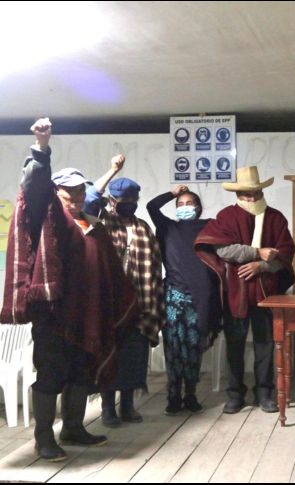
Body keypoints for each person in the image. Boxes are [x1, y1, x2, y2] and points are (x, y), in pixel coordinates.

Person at [1, 118, 137, 461]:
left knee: (81, 372)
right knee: (51, 375)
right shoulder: (52, 221)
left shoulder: (96, 228)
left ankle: (74, 428)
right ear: (56, 196)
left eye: (80, 191)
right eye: (69, 192)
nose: (76, 197)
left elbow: (110, 273)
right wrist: (42, 148)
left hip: (88, 315)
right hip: (54, 316)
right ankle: (44, 438)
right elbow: (34, 189)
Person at [195, 166, 295, 414]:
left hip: (265, 292)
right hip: (235, 292)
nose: (250, 199)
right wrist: (256, 252)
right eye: (245, 194)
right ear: (237, 194)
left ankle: (265, 393)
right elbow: (221, 249)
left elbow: (285, 253)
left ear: (261, 191)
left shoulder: (276, 218)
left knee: (265, 345)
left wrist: (261, 266)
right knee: (235, 345)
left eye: (255, 193)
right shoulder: (226, 216)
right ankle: (235, 394)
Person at [84, 161, 165, 427]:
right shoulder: (100, 221)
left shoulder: (142, 227)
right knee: (109, 354)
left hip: (139, 303)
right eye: (123, 199)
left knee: (133, 356)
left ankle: (128, 405)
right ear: (112, 200)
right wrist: (111, 172)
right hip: (110, 304)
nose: (129, 203)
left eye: (133, 199)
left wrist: (155, 299)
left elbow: (153, 265)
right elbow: (89, 198)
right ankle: (108, 408)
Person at [147, 185, 222, 415]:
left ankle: (190, 394)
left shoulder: (210, 226)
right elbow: (151, 206)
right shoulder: (168, 227)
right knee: (174, 346)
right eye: (180, 204)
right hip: (173, 296)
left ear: (198, 208)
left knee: (192, 346)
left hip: (200, 297)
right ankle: (173, 395)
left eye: (189, 204)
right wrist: (172, 193)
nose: (184, 207)